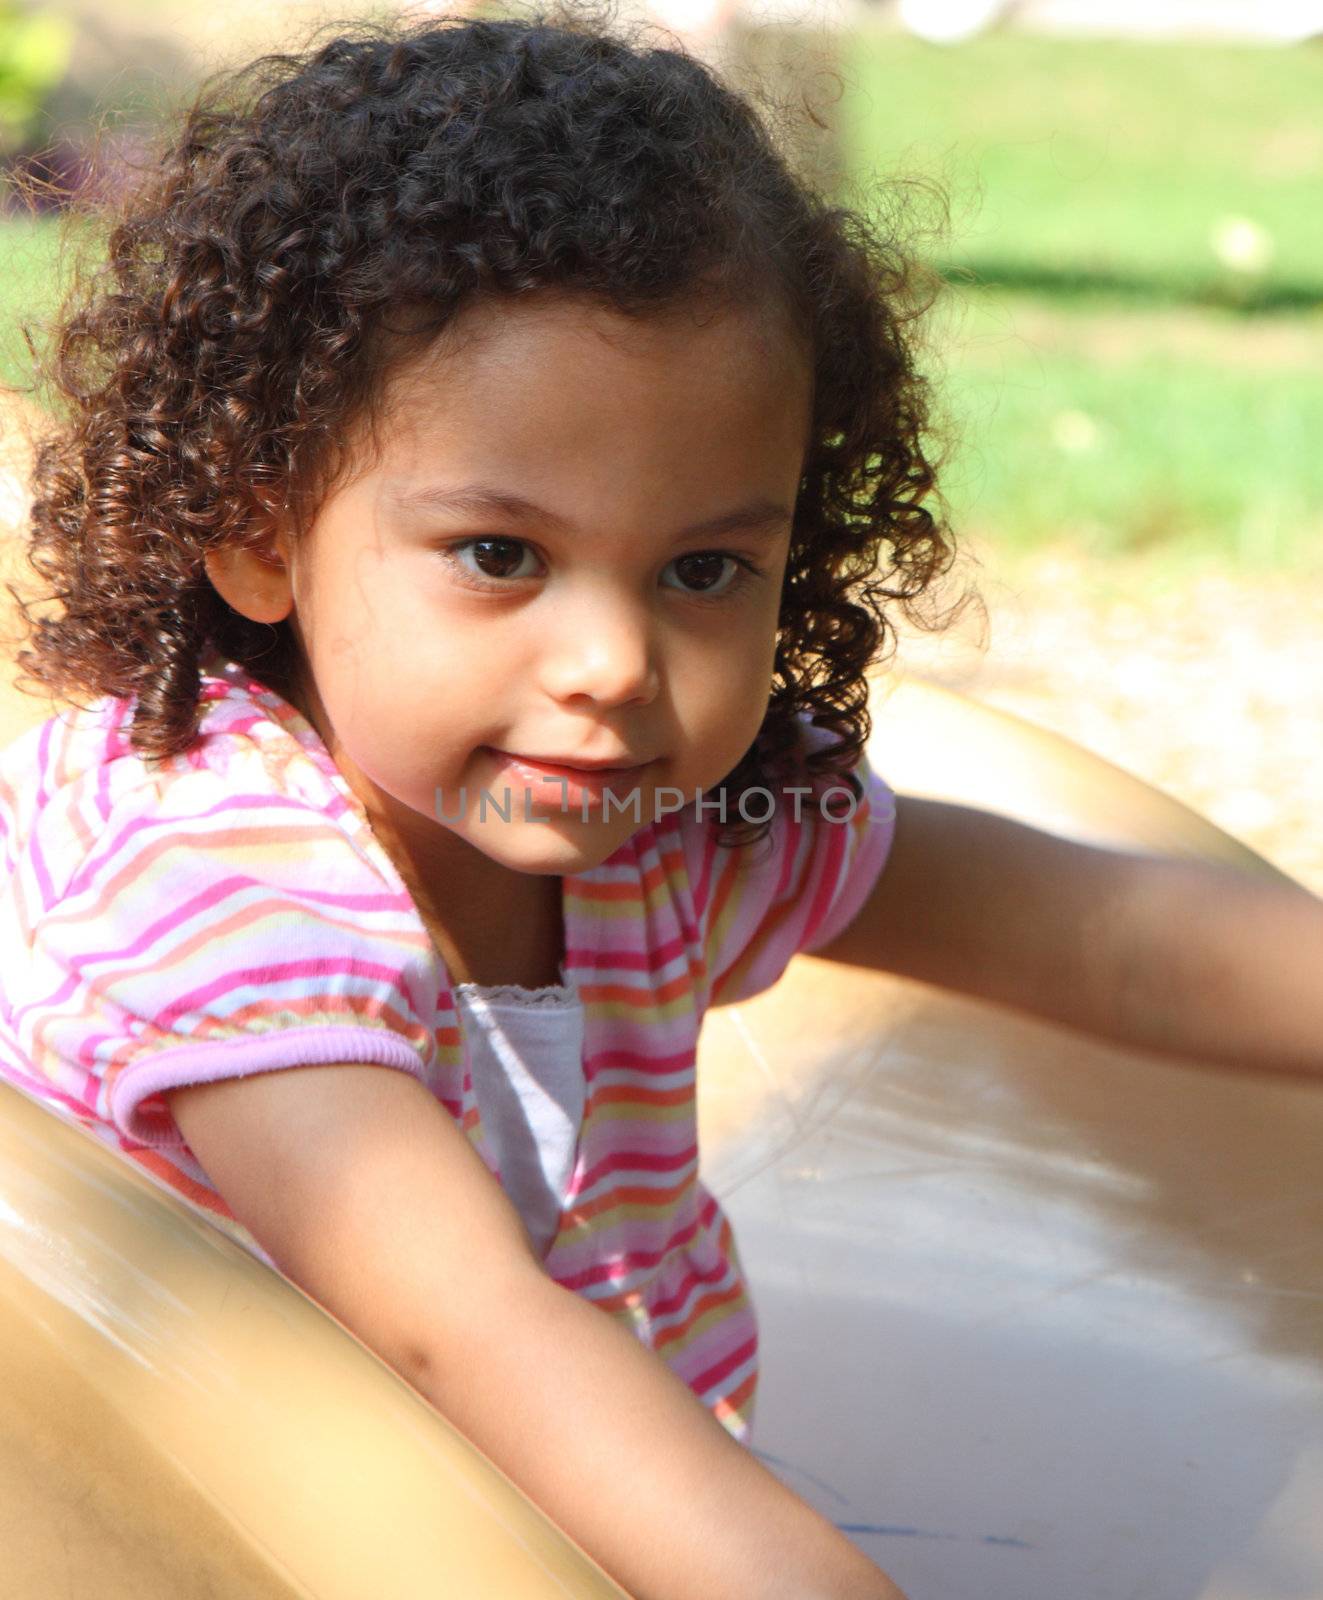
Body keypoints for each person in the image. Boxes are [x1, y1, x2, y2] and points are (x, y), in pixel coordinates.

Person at [0, 10, 1319, 1598]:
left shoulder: (668, 823)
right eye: (502, 556)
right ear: (260, 531)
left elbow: (1114, 940)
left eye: (703, 569)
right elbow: (452, 1328)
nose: (615, 663)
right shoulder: (220, 889)